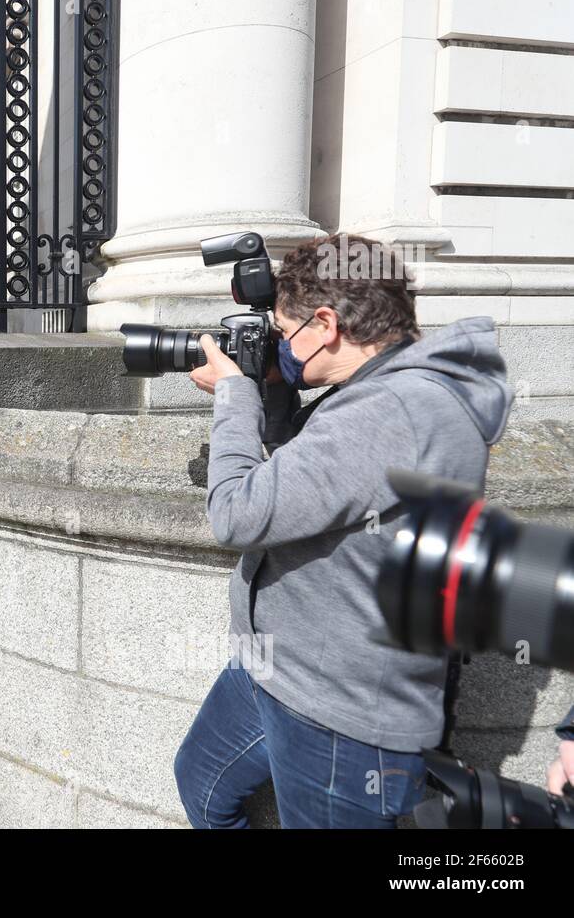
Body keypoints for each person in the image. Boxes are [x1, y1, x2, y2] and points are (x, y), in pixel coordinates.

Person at [173, 233, 515, 828]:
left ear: (326, 323)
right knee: (202, 781)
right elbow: (307, 480)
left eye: (284, 333)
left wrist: (233, 395)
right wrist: (271, 394)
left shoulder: (395, 409)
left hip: (340, 712)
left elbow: (236, 511)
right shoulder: (382, 389)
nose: (280, 346)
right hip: (280, 664)